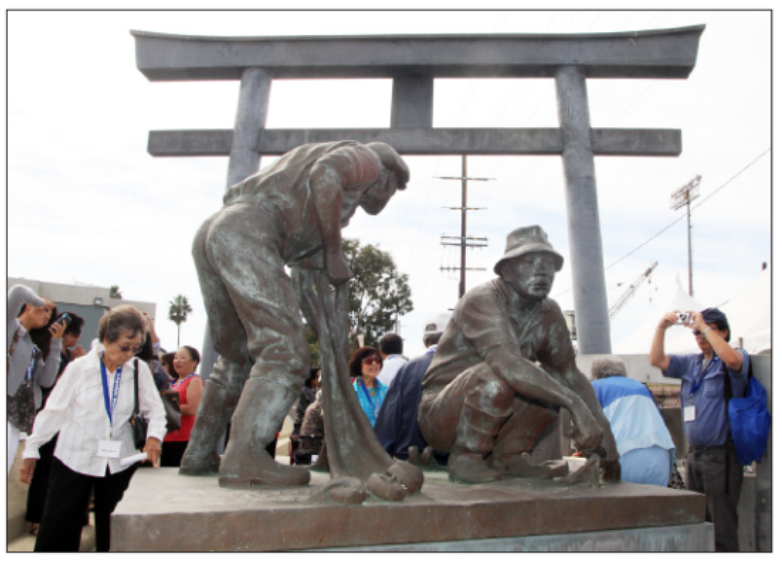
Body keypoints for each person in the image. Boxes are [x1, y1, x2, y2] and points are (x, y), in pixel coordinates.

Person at [181, 140, 409, 488]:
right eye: (392, 191)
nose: (384, 199)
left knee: (236, 356)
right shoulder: (368, 159)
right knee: (285, 352)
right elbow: (326, 174)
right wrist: (334, 251)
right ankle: (244, 456)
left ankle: (198, 453)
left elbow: (304, 282)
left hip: (217, 231)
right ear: (388, 178)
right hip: (249, 230)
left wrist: (330, 337)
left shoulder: (310, 206)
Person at [419, 226, 619, 484]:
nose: (541, 271)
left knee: (548, 381)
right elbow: (508, 364)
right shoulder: (483, 299)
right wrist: (575, 405)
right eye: (528, 262)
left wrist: (603, 431)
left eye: (548, 264)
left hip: (499, 411)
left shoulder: (549, 312)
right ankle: (466, 457)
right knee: (499, 375)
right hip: (442, 415)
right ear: (506, 271)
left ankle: (508, 456)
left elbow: (569, 374)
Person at [20, 305, 166, 552]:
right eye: (125, 347)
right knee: (59, 530)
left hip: (119, 462)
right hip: (74, 458)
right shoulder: (80, 368)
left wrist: (154, 438)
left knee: (115, 534)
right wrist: (32, 449)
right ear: (107, 339)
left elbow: (156, 410)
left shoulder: (138, 370)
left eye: (136, 348)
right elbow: (54, 412)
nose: (130, 354)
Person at [650, 307, 749, 552]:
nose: (701, 337)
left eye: (708, 331)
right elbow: (657, 360)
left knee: (722, 528)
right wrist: (661, 328)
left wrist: (703, 325)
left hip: (721, 456)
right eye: (696, 333)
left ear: (723, 332)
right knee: (698, 523)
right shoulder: (692, 362)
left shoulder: (732, 357)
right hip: (695, 455)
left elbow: (734, 361)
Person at [25, 312, 86, 536]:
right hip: (49, 418)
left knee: (54, 471)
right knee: (43, 471)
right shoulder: (49, 350)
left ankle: (50, 518)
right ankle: (36, 519)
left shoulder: (63, 354)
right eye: (76, 334)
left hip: (63, 421)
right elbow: (51, 383)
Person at [375, 312, 451, 464]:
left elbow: (388, 424)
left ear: (424, 341)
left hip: (410, 462)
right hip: (457, 464)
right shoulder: (469, 368)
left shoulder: (408, 369)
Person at [590, 356, 675, 486]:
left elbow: (588, 429)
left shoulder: (594, 387)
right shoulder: (641, 387)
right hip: (661, 455)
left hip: (621, 456)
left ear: (595, 374)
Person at [7, 285, 65, 474]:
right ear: (28, 306)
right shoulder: (9, 326)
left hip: (18, 416)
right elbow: (17, 292)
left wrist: (56, 342)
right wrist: (40, 301)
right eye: (45, 310)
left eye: (50, 314)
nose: (47, 316)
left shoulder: (33, 345)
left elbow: (46, 380)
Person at [161, 346, 203, 467]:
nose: (177, 361)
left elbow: (192, 409)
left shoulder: (194, 380)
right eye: (176, 357)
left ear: (194, 362)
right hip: (166, 436)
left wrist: (167, 406)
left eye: (182, 358)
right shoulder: (172, 382)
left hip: (182, 438)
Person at [348, 346, 388, 427]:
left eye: (378, 360)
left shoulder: (387, 390)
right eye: (369, 360)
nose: (374, 363)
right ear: (358, 364)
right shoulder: (350, 393)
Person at [293, 367, 320, 436]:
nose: (320, 379)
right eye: (317, 377)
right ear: (311, 378)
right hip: (303, 424)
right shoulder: (305, 391)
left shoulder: (317, 390)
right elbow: (316, 403)